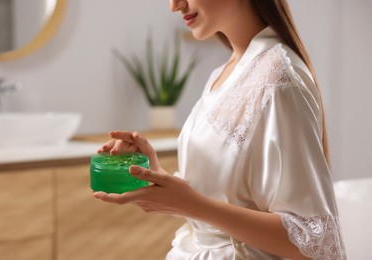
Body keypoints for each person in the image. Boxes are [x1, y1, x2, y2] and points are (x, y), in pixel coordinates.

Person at [94, 0, 347, 259]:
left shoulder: (279, 78)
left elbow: (316, 243)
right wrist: (157, 178)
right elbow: (223, 197)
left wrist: (191, 204)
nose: (174, 5)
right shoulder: (224, 73)